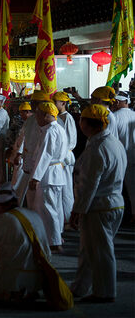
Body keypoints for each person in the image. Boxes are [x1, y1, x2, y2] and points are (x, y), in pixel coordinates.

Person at [71, 104, 126, 302]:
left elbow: (89, 184)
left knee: (101, 252)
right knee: (88, 250)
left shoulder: (98, 148)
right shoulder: (112, 143)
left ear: (86, 123)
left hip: (100, 206)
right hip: (110, 203)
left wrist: (78, 210)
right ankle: (80, 287)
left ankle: (105, 292)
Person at [0, 184, 51, 300]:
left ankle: (13, 292)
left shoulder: (5, 218)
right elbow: (11, 232)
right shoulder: (31, 214)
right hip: (40, 274)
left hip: (16, 273)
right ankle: (28, 290)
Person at [29, 102, 69, 252]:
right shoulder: (57, 129)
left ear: (47, 115)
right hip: (55, 172)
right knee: (54, 207)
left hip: (49, 173)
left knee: (48, 207)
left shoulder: (51, 131)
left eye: (38, 114)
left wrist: (36, 177)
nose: (36, 117)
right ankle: (55, 236)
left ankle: (55, 241)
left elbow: (44, 156)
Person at [52, 91, 77, 220]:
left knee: (66, 190)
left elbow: (71, 141)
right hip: (59, 158)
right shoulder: (58, 117)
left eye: (54, 102)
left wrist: (62, 157)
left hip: (65, 159)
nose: (53, 104)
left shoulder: (68, 118)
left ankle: (68, 218)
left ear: (63, 103)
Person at [111, 91, 135, 221]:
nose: (116, 102)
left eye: (119, 100)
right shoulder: (133, 115)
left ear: (126, 101)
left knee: (117, 188)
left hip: (121, 157)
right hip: (131, 156)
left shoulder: (114, 117)